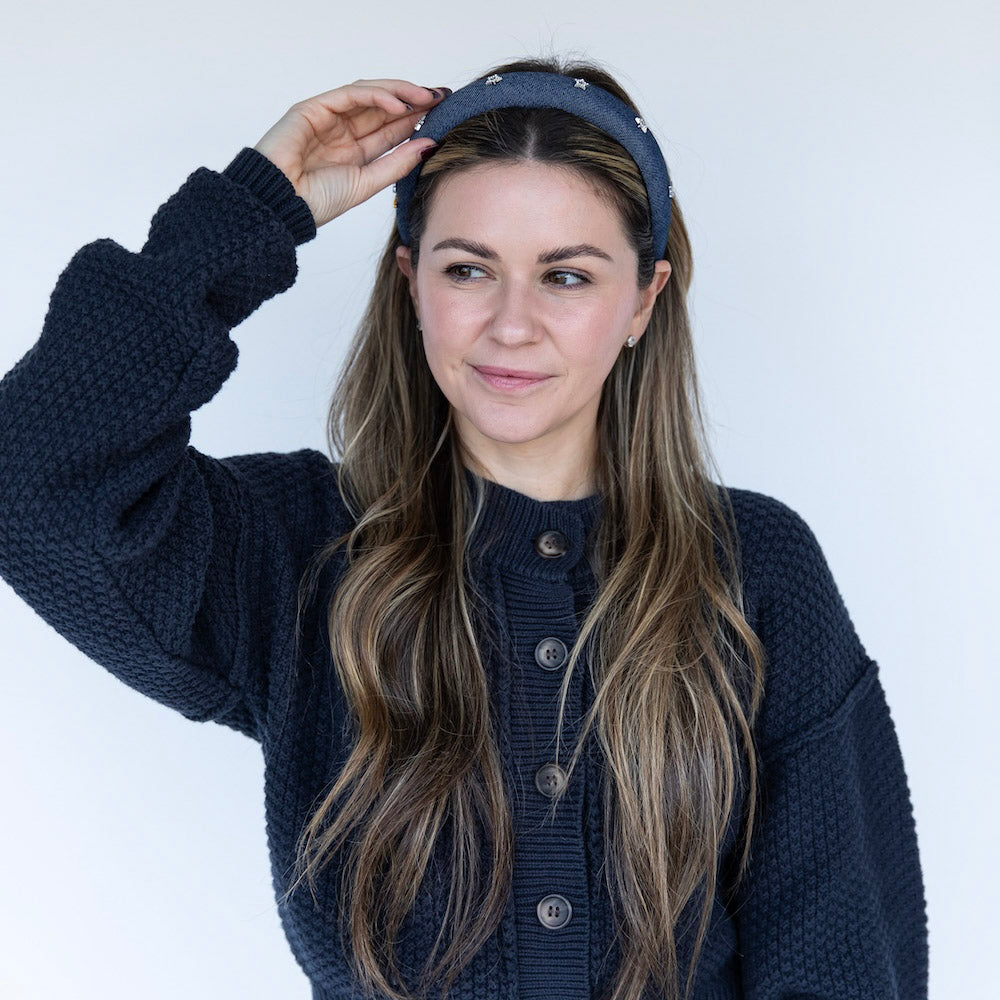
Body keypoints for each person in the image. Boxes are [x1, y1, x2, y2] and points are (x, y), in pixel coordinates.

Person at [0, 56, 928, 1000]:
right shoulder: (303, 552)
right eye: (469, 269)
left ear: (643, 301)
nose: (511, 325)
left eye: (566, 275)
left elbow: (846, 961)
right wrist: (252, 211)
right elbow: (32, 477)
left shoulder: (755, 570)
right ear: (412, 284)